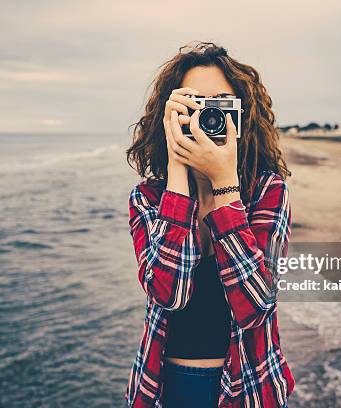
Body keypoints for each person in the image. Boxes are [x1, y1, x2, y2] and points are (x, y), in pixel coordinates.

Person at [125, 41, 295, 408]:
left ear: (240, 116)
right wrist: (177, 174)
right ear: (170, 116)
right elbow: (169, 294)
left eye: (217, 105)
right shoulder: (148, 199)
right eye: (193, 105)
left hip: (248, 383)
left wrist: (224, 186)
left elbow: (255, 304)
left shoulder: (268, 191)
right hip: (163, 387)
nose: (206, 117)